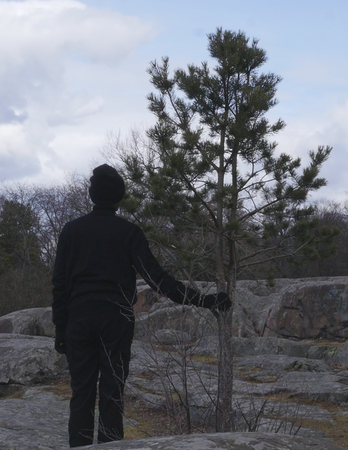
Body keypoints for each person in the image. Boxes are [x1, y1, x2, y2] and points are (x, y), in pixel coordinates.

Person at [52, 164, 230, 447]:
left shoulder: (71, 231)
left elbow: (59, 285)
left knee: (81, 395)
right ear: (119, 198)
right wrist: (204, 301)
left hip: (79, 320)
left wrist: (60, 329)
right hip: (116, 321)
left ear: (92, 195)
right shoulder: (129, 233)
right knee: (112, 395)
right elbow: (158, 279)